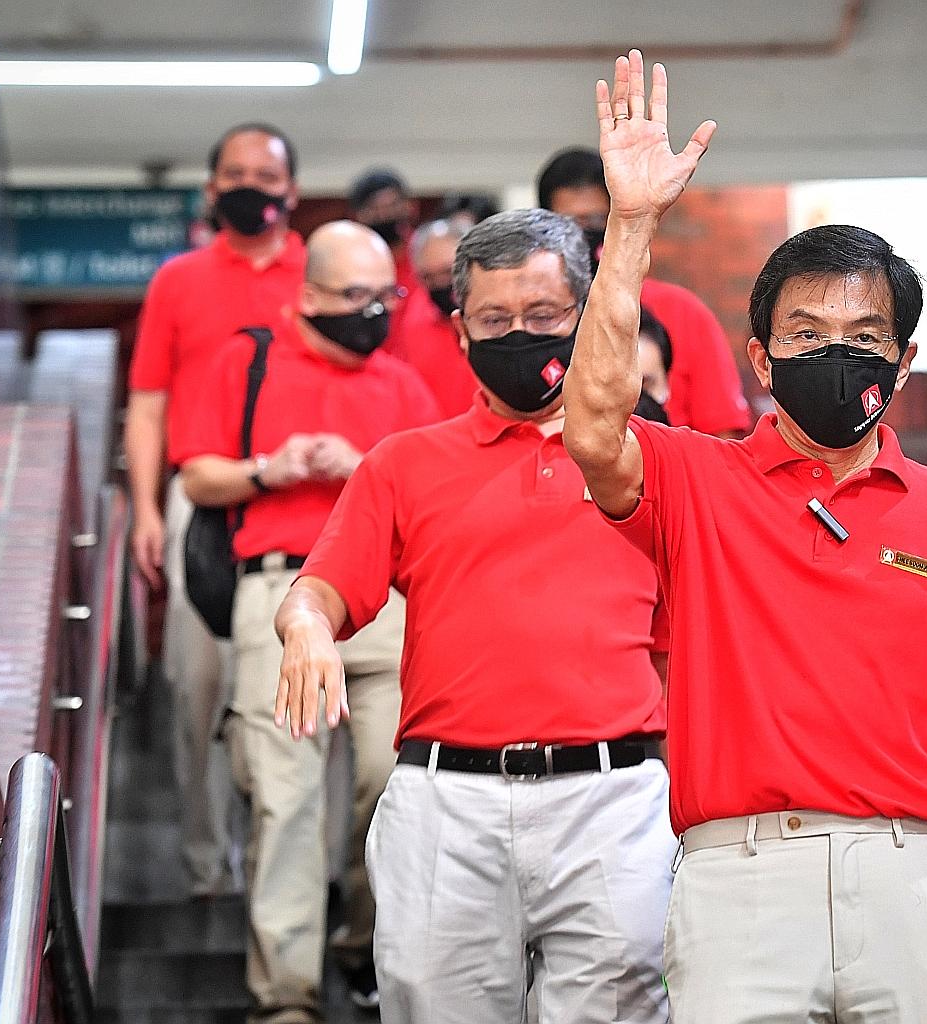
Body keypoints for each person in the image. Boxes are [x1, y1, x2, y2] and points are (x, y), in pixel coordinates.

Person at [563, 51, 927, 1023]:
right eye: (805, 333)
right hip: (742, 886)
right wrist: (629, 226)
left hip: (921, 881)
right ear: (759, 355)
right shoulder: (696, 479)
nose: (837, 354)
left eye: (864, 336)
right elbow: (590, 428)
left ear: (905, 361)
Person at [273, 209, 675, 1024]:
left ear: (586, 315)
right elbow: (319, 588)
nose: (518, 335)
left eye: (543, 316)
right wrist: (307, 626)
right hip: (443, 804)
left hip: (614, 799)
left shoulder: (656, 459)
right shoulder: (402, 464)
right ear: (460, 330)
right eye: (495, 320)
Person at [177, 221, 440, 1023]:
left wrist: (364, 467)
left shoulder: (400, 383)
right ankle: (284, 995)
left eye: (384, 297)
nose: (373, 313)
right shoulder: (245, 361)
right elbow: (198, 475)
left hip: (387, 602)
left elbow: (437, 493)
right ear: (312, 295)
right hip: (277, 592)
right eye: (355, 297)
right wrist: (271, 467)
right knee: (284, 799)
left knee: (390, 784)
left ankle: (363, 943)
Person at [125, 122, 305, 900]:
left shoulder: (321, 272)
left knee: (291, 690)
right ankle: (206, 865)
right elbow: (146, 403)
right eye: (234, 173)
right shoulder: (178, 280)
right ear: (209, 189)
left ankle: (291, 869)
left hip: (300, 498)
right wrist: (144, 509)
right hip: (198, 497)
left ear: (291, 191)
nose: (250, 188)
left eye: (266, 176)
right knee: (196, 685)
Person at [537, 146, 751, 438]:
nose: (584, 234)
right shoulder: (533, 319)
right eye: (570, 225)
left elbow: (722, 435)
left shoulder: (682, 312)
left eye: (597, 221)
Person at [384, 216, 476, 417]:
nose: (441, 284)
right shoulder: (411, 324)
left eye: (447, 272)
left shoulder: (504, 315)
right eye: (428, 277)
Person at [349, 167, 420, 296]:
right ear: (357, 216)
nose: (385, 215)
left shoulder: (425, 251)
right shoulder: (349, 261)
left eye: (393, 206)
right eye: (375, 209)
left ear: (410, 206)